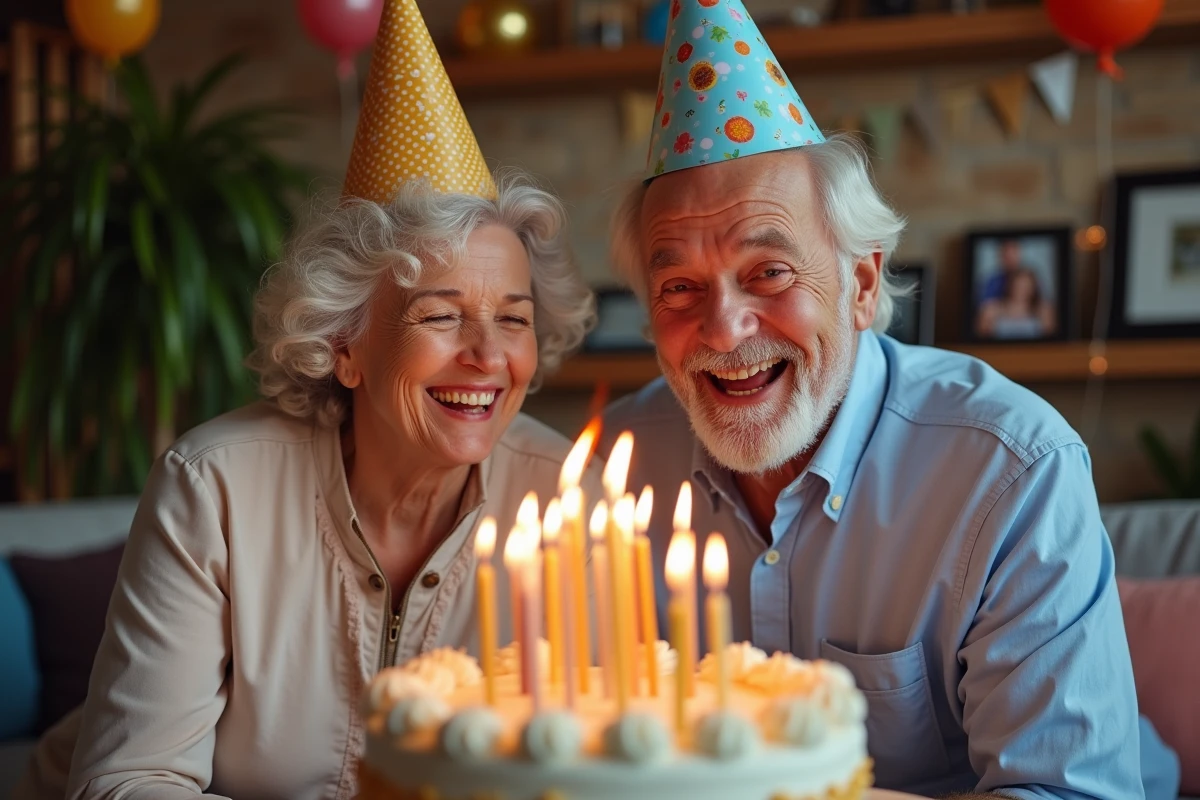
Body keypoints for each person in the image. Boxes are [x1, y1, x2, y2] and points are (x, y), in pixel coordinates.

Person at [14, 1, 598, 798]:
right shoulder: (215, 486)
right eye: (439, 315)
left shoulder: (567, 498)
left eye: (513, 319)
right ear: (345, 346)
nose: (489, 356)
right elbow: (129, 782)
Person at [600, 1, 1180, 798]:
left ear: (862, 284)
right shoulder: (612, 467)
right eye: (678, 288)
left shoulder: (1010, 471)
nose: (725, 331)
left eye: (770, 273)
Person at [975, 267, 1056, 340]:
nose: (1021, 290)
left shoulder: (1043, 309)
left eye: (1026, 286)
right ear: (1010, 285)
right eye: (1018, 285)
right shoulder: (991, 308)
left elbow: (1051, 339)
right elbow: (980, 337)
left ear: (1033, 287)